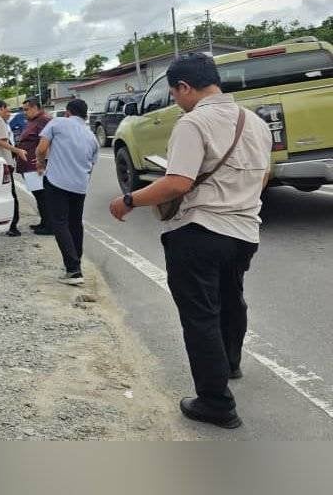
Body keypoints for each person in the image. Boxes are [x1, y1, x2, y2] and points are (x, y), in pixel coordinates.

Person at [109, 53, 271, 430]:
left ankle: (215, 403)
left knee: (200, 315)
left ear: (184, 87)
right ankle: (229, 364)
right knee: (232, 300)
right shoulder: (256, 122)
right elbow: (263, 177)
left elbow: (178, 182)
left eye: (175, 93)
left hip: (200, 231)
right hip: (245, 231)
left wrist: (129, 199)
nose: (176, 100)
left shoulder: (193, 123)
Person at [36, 98, 100, 286]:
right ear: (85, 115)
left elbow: (41, 148)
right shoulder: (92, 137)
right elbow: (92, 165)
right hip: (80, 185)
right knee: (75, 224)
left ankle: (72, 269)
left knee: (59, 223)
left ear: (68, 113)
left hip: (57, 182)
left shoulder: (57, 123)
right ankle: (75, 264)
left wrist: (41, 162)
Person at [0, 100, 28, 237]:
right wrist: (17, 150)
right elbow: (0, 141)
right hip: (3, 162)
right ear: (1, 108)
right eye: (8, 111)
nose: (9, 114)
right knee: (10, 195)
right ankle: (12, 226)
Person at [15, 97, 52, 236]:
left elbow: (46, 142)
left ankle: (49, 225)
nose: (25, 112)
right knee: (38, 195)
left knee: (42, 195)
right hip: (29, 165)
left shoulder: (44, 120)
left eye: (27, 109)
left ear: (36, 107)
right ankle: (44, 221)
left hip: (35, 165)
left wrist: (41, 163)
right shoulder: (32, 121)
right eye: (23, 110)